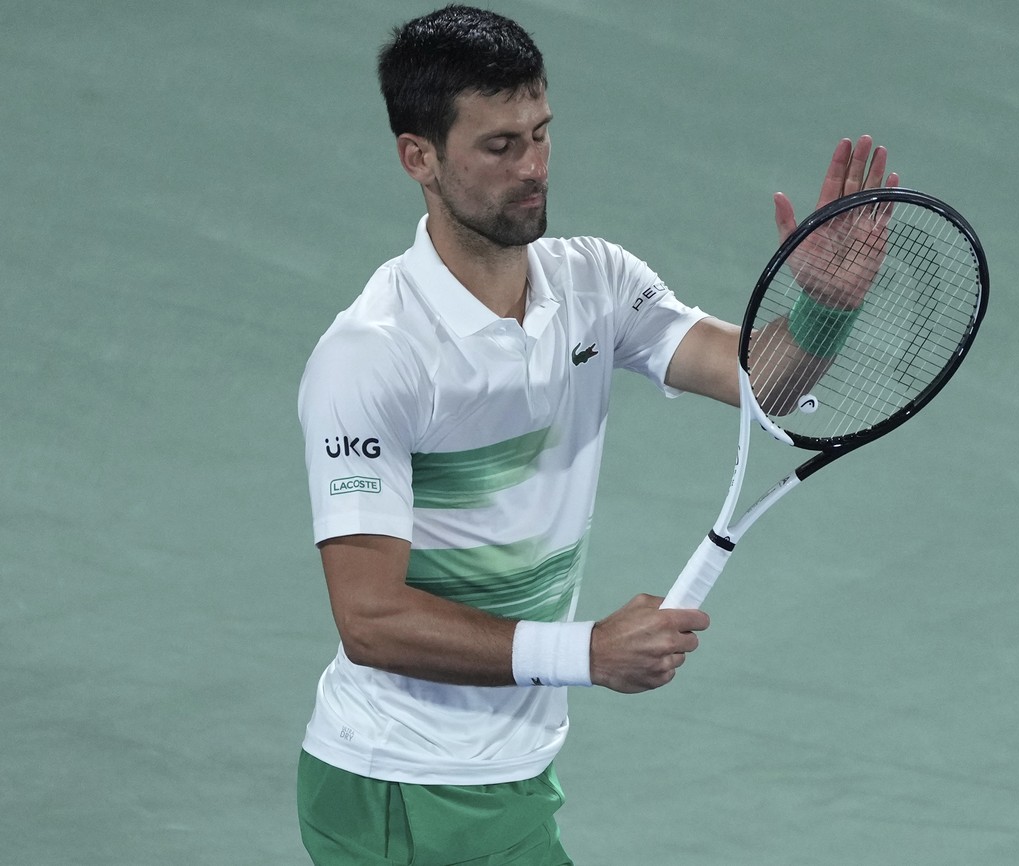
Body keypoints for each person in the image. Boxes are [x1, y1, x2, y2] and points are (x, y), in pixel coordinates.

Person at [295, 5, 897, 864]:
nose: (534, 167)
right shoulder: (373, 356)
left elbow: (759, 381)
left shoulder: (597, 283)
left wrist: (826, 308)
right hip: (404, 790)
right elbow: (371, 619)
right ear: (417, 156)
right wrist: (586, 652)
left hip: (506, 775)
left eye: (541, 134)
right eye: (500, 147)